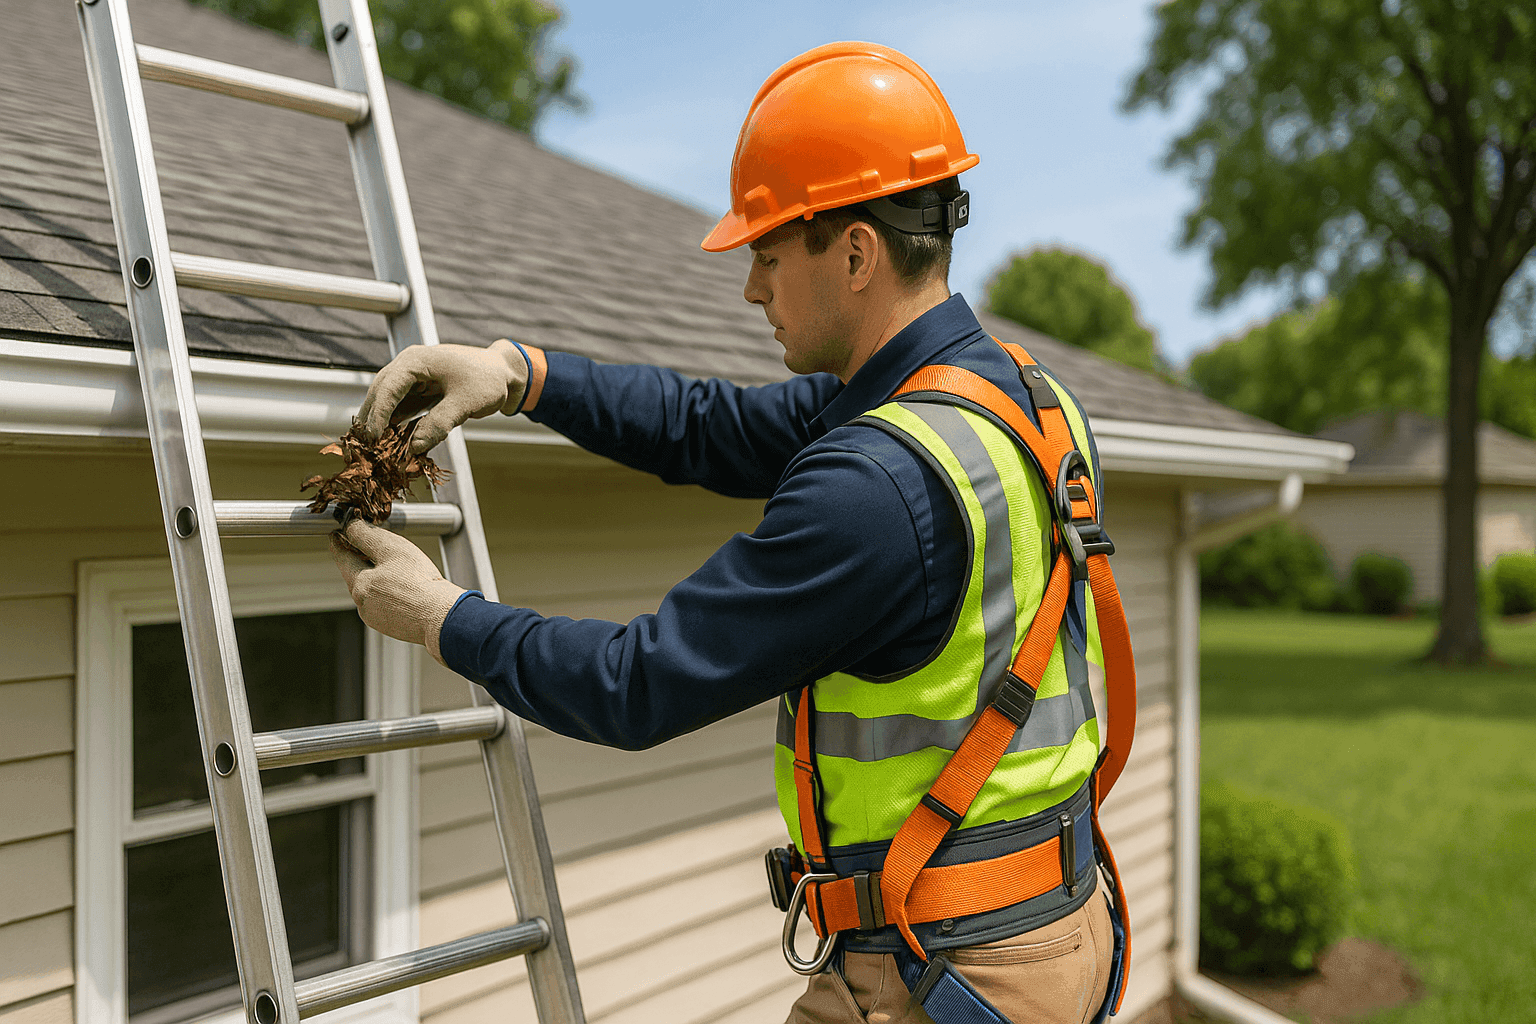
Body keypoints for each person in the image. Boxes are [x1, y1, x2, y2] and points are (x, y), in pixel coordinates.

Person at [330, 41, 1133, 1024]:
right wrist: (519, 373)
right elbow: (714, 426)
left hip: (943, 973)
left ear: (854, 252)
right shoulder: (1022, 400)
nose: (751, 287)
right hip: (1056, 922)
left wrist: (442, 617)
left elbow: (638, 684)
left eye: (766, 251)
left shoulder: (875, 487)